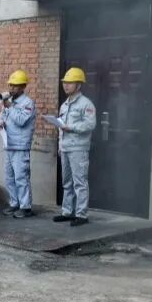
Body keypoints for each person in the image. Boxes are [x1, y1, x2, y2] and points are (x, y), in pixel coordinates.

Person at [51, 67, 96, 227]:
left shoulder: (86, 104)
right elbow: (61, 128)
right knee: (67, 182)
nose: (66, 85)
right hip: (65, 148)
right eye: (65, 82)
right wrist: (60, 146)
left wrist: (71, 127)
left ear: (79, 85)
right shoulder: (64, 105)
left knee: (80, 182)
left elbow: (90, 124)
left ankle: (81, 214)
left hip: (78, 148)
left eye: (70, 83)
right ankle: (67, 212)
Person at [0, 70, 36, 219]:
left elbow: (21, 120)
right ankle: (14, 203)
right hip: (9, 144)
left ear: (23, 86)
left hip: (20, 146)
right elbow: (2, 117)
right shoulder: (8, 102)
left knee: (21, 177)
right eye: (10, 85)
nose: (11, 88)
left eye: (15, 85)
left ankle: (26, 207)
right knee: (9, 177)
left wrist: (10, 107)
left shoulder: (28, 103)